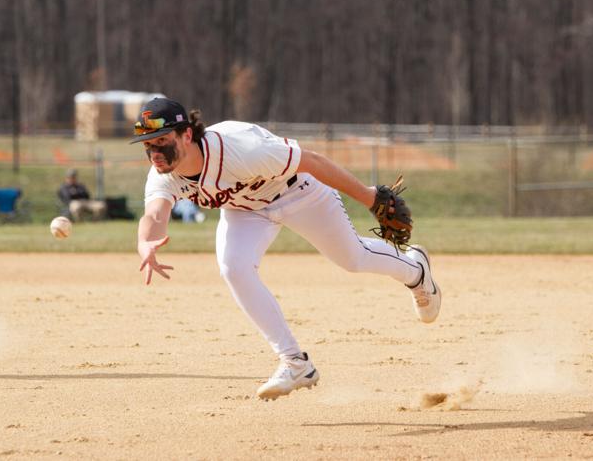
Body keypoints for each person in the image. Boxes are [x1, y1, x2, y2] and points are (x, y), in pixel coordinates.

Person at [133, 98, 441, 401]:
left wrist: (370, 198)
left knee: (353, 258)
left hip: (298, 192)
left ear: (186, 134)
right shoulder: (164, 175)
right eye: (148, 144)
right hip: (246, 209)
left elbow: (313, 161)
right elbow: (155, 214)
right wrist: (145, 242)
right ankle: (296, 363)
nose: (155, 152)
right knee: (234, 267)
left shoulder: (240, 148)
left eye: (161, 140)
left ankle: (416, 270)